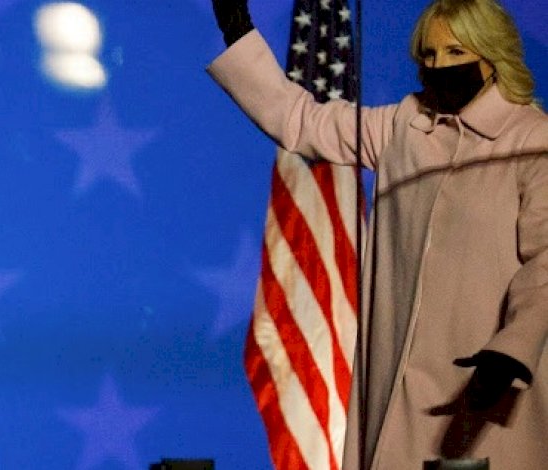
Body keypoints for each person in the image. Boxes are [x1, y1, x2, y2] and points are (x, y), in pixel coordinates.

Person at [206, 0, 548, 468]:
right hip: (397, 391)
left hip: (490, 384)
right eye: (428, 55)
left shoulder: (532, 142)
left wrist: (512, 350)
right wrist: (238, 32)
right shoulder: (404, 128)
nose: (439, 66)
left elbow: (546, 263)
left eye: (454, 52)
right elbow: (300, 121)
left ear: (493, 55)